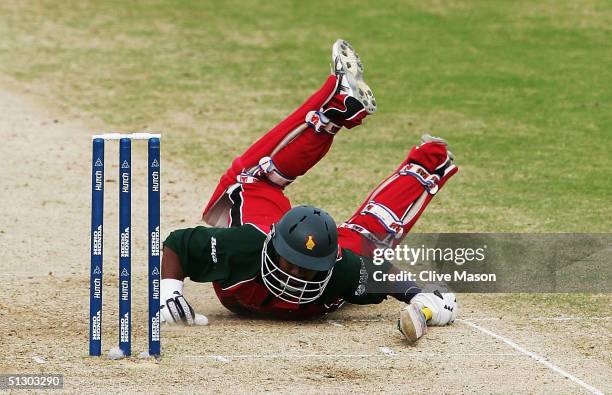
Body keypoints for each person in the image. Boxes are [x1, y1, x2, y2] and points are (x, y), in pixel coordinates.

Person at [160, 39, 459, 343]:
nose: (298, 277)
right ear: (275, 249)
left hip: (320, 250)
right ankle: (330, 108)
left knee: (368, 243)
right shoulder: (244, 245)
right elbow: (178, 245)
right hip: (263, 223)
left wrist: (423, 298)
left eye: (309, 270)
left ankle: (427, 165)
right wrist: (168, 293)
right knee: (251, 179)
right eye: (293, 264)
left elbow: (384, 273)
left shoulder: (341, 269)